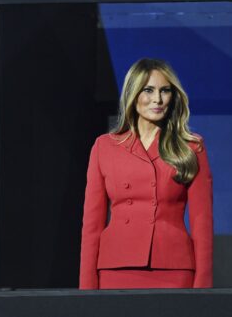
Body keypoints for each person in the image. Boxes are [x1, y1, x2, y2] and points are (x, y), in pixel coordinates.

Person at [79, 58, 213, 289]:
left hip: (173, 267)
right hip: (115, 267)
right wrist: (86, 288)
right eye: (148, 90)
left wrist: (203, 287)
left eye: (165, 91)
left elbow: (202, 222)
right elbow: (92, 224)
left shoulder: (191, 147)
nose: (158, 99)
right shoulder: (105, 146)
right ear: (133, 94)